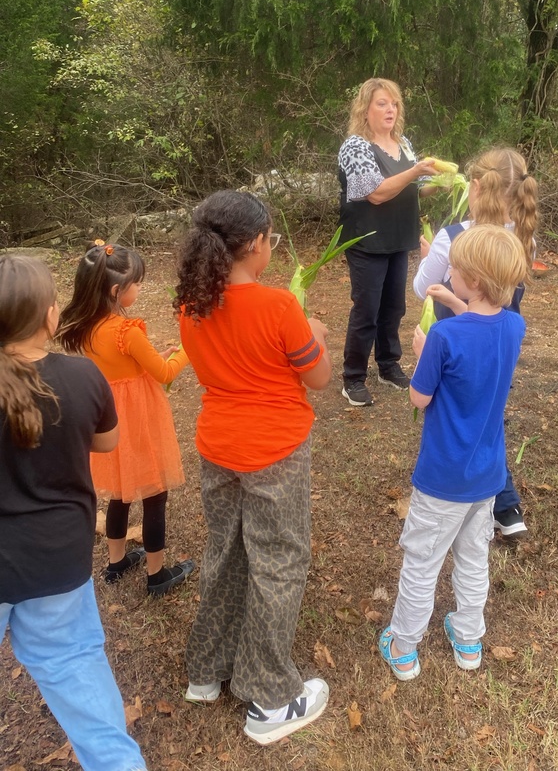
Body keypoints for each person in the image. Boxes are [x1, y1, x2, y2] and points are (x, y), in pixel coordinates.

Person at [174, 190, 332, 746]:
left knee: (226, 549)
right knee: (279, 560)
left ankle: (206, 672)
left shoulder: (189, 306)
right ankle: (269, 696)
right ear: (256, 244)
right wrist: (318, 336)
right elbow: (316, 379)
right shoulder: (279, 307)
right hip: (275, 451)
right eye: (273, 241)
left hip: (217, 446)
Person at [0, 255, 147, 771]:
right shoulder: (82, 376)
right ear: (48, 317)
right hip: (58, 562)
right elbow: (106, 441)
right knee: (83, 687)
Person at [378, 225, 527, 680]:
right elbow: (481, 328)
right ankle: (468, 639)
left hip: (443, 476)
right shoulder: (515, 325)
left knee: (423, 561)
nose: (450, 271)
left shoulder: (443, 338)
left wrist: (425, 352)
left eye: (456, 267)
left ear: (474, 280)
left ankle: (403, 646)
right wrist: (459, 308)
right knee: (472, 556)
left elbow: (419, 399)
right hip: (487, 476)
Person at [413, 147, 538, 537]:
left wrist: (429, 257)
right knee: (490, 415)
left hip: (454, 349)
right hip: (501, 343)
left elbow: (422, 289)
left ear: (477, 187)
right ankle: (502, 506)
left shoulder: (452, 239)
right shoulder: (523, 237)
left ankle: (492, 501)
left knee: (456, 421)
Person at [58, 243, 194, 597]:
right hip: (140, 417)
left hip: (108, 417)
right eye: (137, 283)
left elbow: (125, 367)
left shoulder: (86, 326)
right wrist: (187, 350)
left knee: (119, 492)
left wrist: (146, 360)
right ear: (117, 291)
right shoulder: (126, 331)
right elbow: (164, 372)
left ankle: (116, 562)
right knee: (153, 493)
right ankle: (156, 573)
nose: (141, 288)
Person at [337, 77, 438, 407]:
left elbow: (416, 188)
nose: (390, 109)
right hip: (367, 240)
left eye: (394, 103)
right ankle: (352, 377)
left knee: (394, 307)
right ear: (365, 110)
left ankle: (388, 365)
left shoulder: (403, 143)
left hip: (399, 237)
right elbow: (376, 193)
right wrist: (414, 172)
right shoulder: (356, 147)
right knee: (367, 310)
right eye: (382, 103)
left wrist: (441, 182)